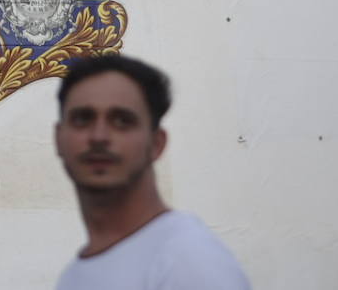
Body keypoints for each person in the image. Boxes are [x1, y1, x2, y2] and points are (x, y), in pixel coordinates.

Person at [53, 54, 250, 289]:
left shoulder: (189, 262)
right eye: (83, 119)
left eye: (122, 121)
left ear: (157, 143)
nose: (99, 136)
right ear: (58, 138)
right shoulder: (73, 276)